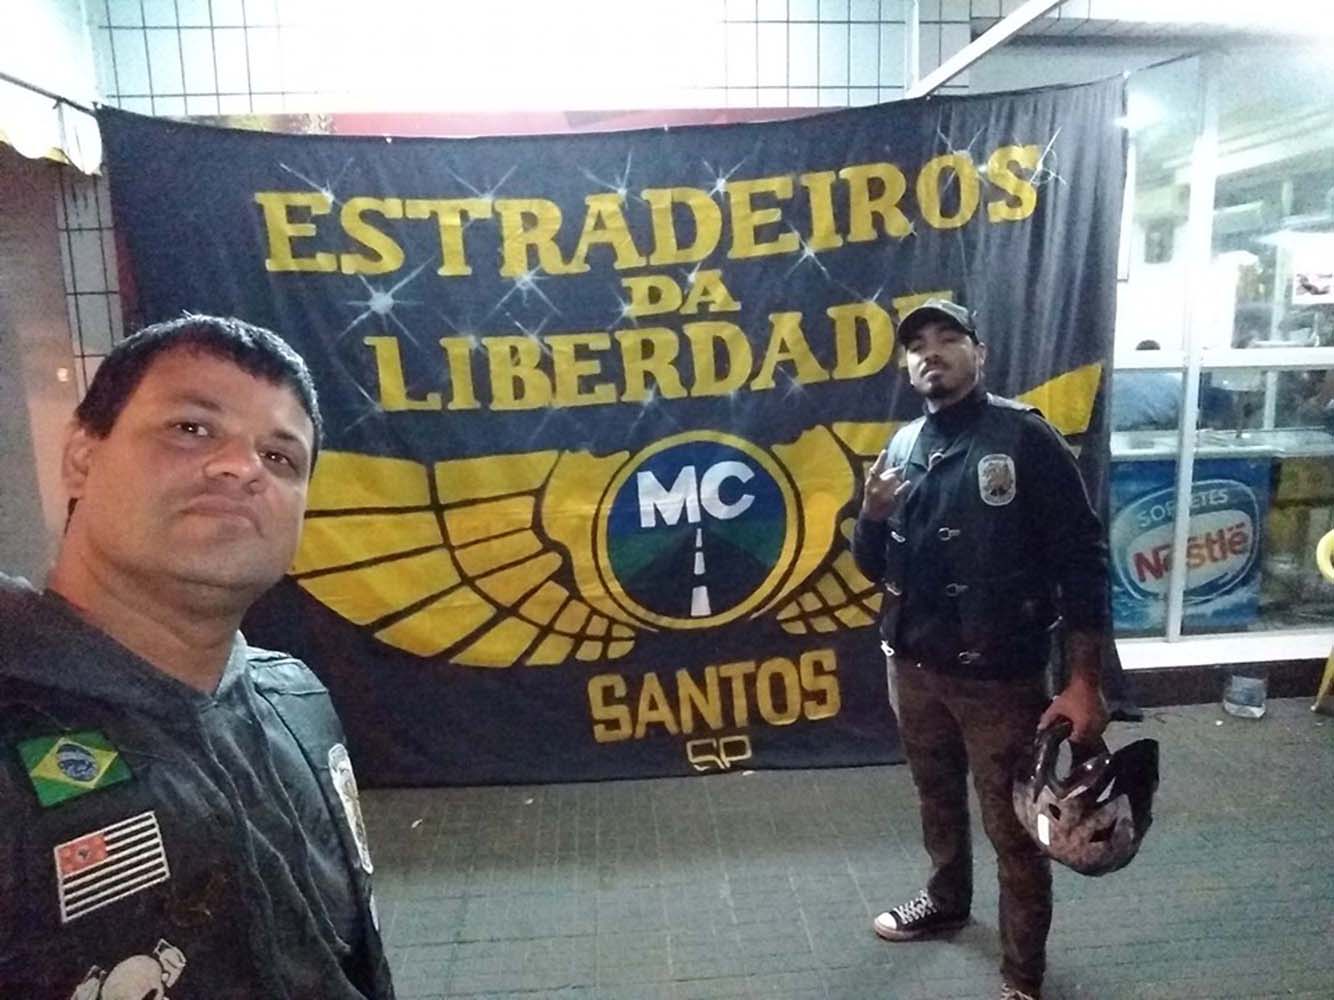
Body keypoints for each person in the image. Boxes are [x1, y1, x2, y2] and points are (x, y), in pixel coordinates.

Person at [0, 316, 395, 999]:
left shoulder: (296, 702)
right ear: (82, 458)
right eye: (192, 428)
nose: (241, 467)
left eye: (280, 457)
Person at [853, 299, 1109, 1000]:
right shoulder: (902, 446)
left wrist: (1084, 681)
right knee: (935, 795)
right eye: (917, 345)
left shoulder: (1025, 438)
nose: (931, 352)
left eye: (947, 338)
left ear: (980, 353)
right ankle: (946, 900)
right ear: (907, 366)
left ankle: (1022, 976)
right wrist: (871, 516)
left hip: (1001, 678)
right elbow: (872, 566)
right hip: (914, 668)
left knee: (1014, 828)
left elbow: (1084, 561)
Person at [1109, 339, 1181, 432]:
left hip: (1119, 435)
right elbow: (1185, 417)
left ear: (1135, 357)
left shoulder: (1115, 382)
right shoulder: (1174, 384)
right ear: (1160, 358)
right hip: (1163, 436)